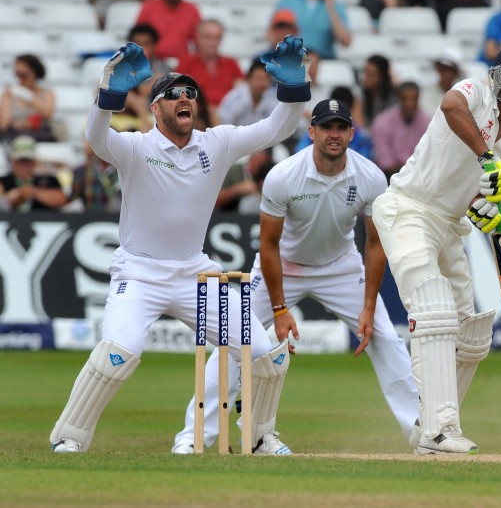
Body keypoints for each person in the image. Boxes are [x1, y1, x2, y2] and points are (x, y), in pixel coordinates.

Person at [48, 35, 311, 454]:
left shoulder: (216, 143)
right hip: (140, 272)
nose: (184, 97)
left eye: (190, 92)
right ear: (154, 109)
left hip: (194, 273)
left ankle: (258, 437)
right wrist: (109, 94)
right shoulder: (136, 147)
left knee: (267, 356)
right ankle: (70, 438)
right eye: (172, 94)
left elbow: (277, 128)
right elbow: (98, 139)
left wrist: (294, 87)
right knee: (117, 354)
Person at [172, 98, 420, 454]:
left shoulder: (371, 177)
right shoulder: (284, 175)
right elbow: (269, 246)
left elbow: (376, 244)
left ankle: (423, 434)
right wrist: (279, 309)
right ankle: (193, 438)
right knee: (234, 342)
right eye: (326, 127)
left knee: (386, 339)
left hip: (341, 267)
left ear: (352, 133)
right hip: (283, 266)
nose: (333, 135)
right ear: (312, 132)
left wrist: (368, 308)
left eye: (340, 128)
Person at [371, 42, 501, 454]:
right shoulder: (474, 92)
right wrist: (488, 159)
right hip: (408, 208)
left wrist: (490, 211)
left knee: (472, 335)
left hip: (450, 226)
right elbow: (452, 107)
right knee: (432, 306)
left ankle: (427, 425)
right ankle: (441, 430)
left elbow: (488, 198)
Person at [175, 19, 245, 109]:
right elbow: (182, 92)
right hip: (199, 113)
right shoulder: (186, 62)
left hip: (227, 113)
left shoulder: (231, 63)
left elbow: (242, 93)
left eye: (217, 38)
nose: (213, 42)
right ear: (198, 38)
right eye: (207, 37)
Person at [371, 81, 431, 180]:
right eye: (406, 99)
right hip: (389, 177)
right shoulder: (382, 123)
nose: (410, 104)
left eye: (414, 99)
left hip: (420, 177)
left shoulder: (428, 123)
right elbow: (386, 164)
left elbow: (429, 159)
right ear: (399, 99)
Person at [274, 0, 353, 59]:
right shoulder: (288, 0)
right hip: (291, 60)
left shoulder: (335, 5)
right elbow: (271, 34)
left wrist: (331, 8)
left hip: (322, 62)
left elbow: (345, 41)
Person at [0, 135, 67, 211]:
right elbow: (2, 203)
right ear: (13, 161)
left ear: (35, 162)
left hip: (43, 220)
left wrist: (32, 192)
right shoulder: (3, 181)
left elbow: (62, 200)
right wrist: (20, 195)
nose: (24, 165)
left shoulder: (49, 180)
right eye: (21, 161)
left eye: (28, 161)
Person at [134, 0, 201, 60]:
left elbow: (199, 41)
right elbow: (136, 37)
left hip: (181, 62)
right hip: (153, 61)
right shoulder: (149, 6)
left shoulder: (192, 10)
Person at [0, 54, 57, 142]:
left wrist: (28, 96)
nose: (21, 79)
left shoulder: (47, 94)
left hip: (41, 139)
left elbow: (48, 114)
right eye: (18, 75)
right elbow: (4, 124)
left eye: (24, 75)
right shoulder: (8, 95)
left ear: (35, 73)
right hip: (14, 140)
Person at [218, 59, 277, 127]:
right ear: (248, 79)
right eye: (258, 79)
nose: (261, 83)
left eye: (265, 79)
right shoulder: (235, 99)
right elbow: (222, 126)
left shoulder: (273, 98)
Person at [69, 139, 121, 213]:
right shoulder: (81, 172)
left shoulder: (125, 170)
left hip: (120, 220)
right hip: (93, 220)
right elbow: (74, 199)